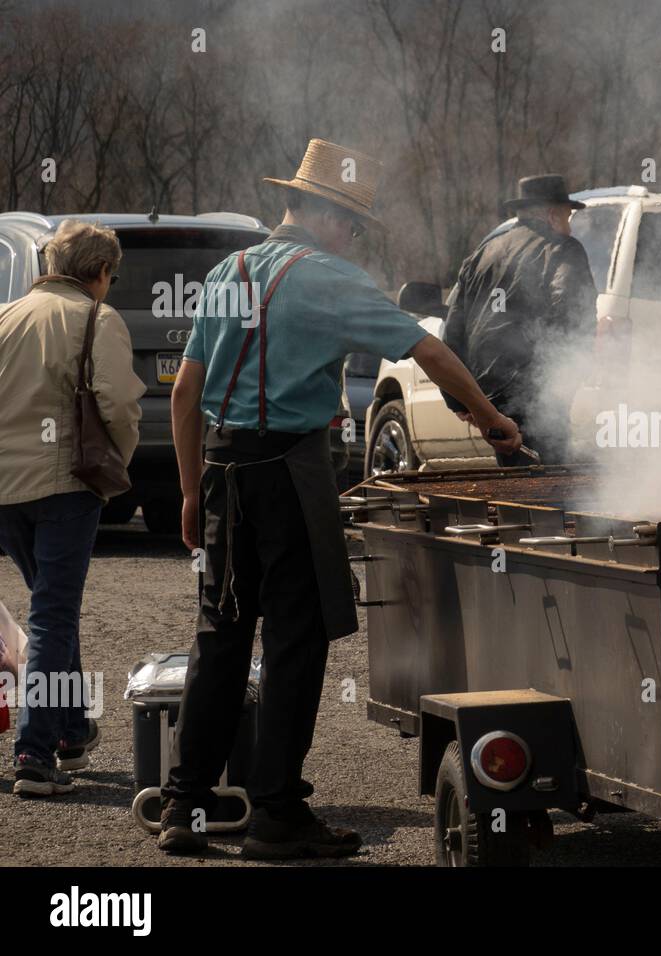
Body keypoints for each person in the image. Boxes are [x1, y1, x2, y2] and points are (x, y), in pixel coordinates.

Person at [160, 138, 521, 858]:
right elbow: (431, 351)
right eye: (353, 223)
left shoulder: (227, 270)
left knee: (220, 639)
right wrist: (493, 420)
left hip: (223, 472)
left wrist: (188, 493)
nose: (355, 235)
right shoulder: (331, 277)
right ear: (328, 217)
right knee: (295, 643)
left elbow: (184, 394)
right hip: (291, 473)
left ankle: (185, 806)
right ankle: (274, 815)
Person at [0, 219, 145, 796]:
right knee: (53, 617)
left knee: (49, 609)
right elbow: (119, 406)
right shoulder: (97, 318)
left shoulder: (5, 316)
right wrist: (116, 468)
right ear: (101, 272)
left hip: (5, 492)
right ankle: (35, 755)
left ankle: (72, 727)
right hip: (64, 485)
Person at [440, 174, 597, 465]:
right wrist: (565, 383)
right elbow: (574, 317)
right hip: (538, 393)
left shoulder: (481, 254)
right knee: (545, 489)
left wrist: (460, 400)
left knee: (515, 483)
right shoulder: (563, 249)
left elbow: (452, 332)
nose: (569, 225)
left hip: (489, 399)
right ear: (552, 214)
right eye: (567, 216)